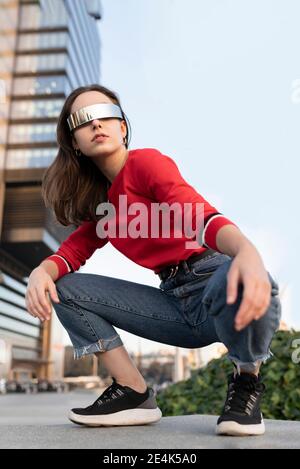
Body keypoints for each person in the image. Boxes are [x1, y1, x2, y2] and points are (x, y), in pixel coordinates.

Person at [25, 84, 281, 436]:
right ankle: (133, 391)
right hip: (172, 304)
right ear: (74, 142)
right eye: (83, 120)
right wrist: (42, 270)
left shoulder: (145, 163)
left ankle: (246, 382)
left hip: (213, 282)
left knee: (248, 275)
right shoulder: (104, 206)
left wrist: (245, 251)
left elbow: (195, 213)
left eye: (106, 114)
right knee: (65, 287)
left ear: (122, 127)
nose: (96, 124)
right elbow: (72, 252)